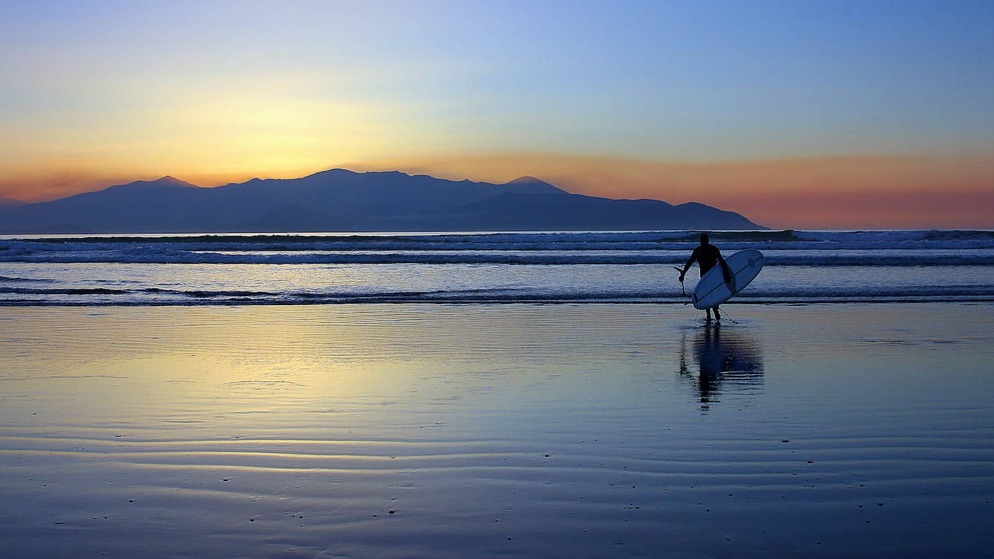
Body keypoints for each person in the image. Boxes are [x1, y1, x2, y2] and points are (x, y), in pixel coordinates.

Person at [679, 233, 731, 322]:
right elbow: (722, 263)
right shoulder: (713, 249)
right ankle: (714, 311)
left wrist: (683, 274)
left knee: (707, 293)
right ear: (707, 240)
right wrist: (727, 274)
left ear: (701, 241)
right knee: (713, 293)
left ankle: (710, 313)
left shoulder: (699, 250)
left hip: (705, 276)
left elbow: (689, 263)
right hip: (710, 276)